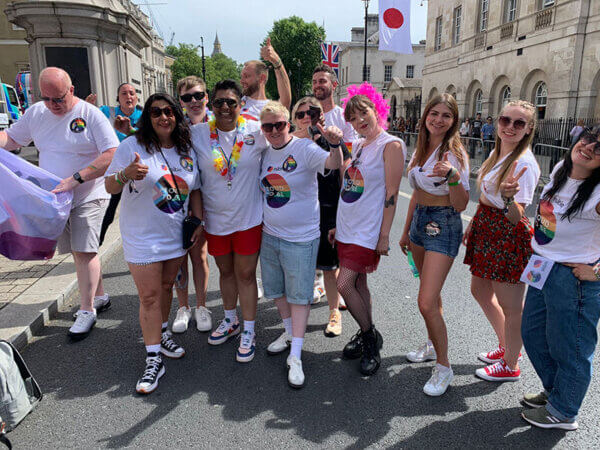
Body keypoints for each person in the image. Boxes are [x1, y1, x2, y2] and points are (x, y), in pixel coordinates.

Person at [0, 67, 119, 339]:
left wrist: (77, 178)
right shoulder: (37, 113)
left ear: (72, 91)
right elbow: (14, 138)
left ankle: (86, 309)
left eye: (59, 99)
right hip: (56, 198)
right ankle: (99, 295)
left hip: (89, 193)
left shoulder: (91, 115)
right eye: (47, 99)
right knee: (81, 252)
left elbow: (112, 153)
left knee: (85, 250)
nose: (53, 105)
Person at [105, 93, 203, 394]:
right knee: (148, 296)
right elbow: (110, 184)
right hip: (142, 236)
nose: (164, 117)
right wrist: (125, 174)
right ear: (147, 116)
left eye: (169, 111)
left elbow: (195, 189)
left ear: (177, 115)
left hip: (174, 235)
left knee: (164, 289)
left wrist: (197, 221)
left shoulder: (186, 149)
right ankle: (152, 358)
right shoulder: (131, 147)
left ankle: (161, 333)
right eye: (156, 112)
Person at [520, 126, 600, 431]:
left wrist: (597, 271)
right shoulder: (560, 170)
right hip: (542, 267)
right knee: (534, 335)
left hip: (574, 278)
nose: (589, 147)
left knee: (572, 348)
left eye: (599, 148)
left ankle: (564, 412)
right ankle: (557, 392)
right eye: (590, 138)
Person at [259, 101, 343, 387]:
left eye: (279, 125)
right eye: (268, 126)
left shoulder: (304, 149)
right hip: (270, 235)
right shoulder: (263, 151)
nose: (274, 131)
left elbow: (332, 164)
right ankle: (287, 332)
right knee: (277, 291)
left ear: (288, 124)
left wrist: (334, 145)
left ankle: (296, 354)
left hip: (301, 239)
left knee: (299, 296)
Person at [330, 83, 406, 377]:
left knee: (343, 284)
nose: (360, 121)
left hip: (367, 230)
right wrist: (338, 223)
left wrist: (384, 235)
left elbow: (391, 192)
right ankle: (366, 335)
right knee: (359, 285)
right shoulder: (359, 145)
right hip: (348, 226)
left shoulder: (392, 145)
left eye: (364, 113)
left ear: (377, 110)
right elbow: (350, 185)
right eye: (353, 118)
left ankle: (371, 338)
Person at [190, 79, 267, 363]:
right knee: (225, 273)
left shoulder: (256, 132)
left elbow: (286, 136)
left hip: (248, 219)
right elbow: (161, 137)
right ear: (211, 105)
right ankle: (231, 319)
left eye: (231, 102)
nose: (224, 107)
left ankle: (249, 330)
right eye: (219, 102)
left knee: (245, 274)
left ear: (240, 105)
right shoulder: (197, 134)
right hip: (216, 222)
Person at [463, 100, 540, 382]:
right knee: (480, 291)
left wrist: (508, 197)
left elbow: (516, 216)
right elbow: (486, 197)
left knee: (511, 306)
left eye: (519, 123)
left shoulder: (525, 164)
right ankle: (507, 346)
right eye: (505, 120)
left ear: (529, 128)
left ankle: (510, 365)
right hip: (488, 226)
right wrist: (475, 221)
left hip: (507, 235)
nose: (510, 127)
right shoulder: (498, 152)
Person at [399, 93, 470, 396]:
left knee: (426, 302)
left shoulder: (453, 154)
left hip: (443, 223)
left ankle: (444, 367)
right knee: (431, 297)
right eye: (434, 113)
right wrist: (405, 231)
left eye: (446, 116)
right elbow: (415, 193)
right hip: (419, 224)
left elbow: (461, 203)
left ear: (454, 121)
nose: (438, 120)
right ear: (426, 115)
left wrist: (453, 177)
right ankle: (431, 345)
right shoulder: (421, 148)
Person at [287, 96, 348, 337]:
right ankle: (296, 317)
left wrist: (343, 215)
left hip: (327, 210)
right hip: (297, 214)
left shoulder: (331, 140)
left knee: (329, 267)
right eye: (300, 114)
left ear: (320, 115)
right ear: (293, 118)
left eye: (311, 112)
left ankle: (334, 312)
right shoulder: (287, 142)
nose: (305, 118)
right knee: (298, 269)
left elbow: (343, 172)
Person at [311, 63, 359, 303]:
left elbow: (349, 159)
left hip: (334, 188)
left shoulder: (342, 117)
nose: (318, 85)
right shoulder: (306, 113)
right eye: (315, 82)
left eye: (323, 81)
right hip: (311, 188)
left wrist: (346, 191)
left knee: (335, 236)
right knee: (314, 235)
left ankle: (337, 285)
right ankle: (318, 281)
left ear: (333, 85)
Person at [170, 76, 213, 334]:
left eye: (199, 95)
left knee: (200, 255)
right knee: (179, 257)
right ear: (181, 102)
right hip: (180, 200)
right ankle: (183, 307)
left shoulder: (217, 125)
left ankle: (201, 306)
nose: (194, 101)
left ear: (206, 97)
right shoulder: (176, 128)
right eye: (187, 98)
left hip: (208, 200)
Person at [85, 83, 143, 246]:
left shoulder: (145, 115)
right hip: (116, 170)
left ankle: (140, 249)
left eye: (132, 93)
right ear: (118, 98)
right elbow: (87, 120)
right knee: (108, 213)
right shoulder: (106, 112)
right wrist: (87, 108)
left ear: (136, 97)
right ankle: (94, 247)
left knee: (140, 212)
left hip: (139, 169)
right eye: (124, 93)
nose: (128, 96)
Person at [240, 38, 291, 121]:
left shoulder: (270, 108)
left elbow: (286, 101)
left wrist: (276, 61)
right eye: (241, 77)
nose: (241, 81)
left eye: (246, 76)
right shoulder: (235, 104)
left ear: (261, 78)